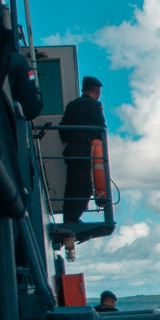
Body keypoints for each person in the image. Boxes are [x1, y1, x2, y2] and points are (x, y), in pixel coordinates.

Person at [60, 76, 106, 223]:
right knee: (85, 187)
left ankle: (69, 217)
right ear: (97, 91)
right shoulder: (95, 105)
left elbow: (62, 129)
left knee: (72, 185)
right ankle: (73, 218)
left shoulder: (72, 105)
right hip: (85, 151)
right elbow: (101, 128)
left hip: (71, 151)